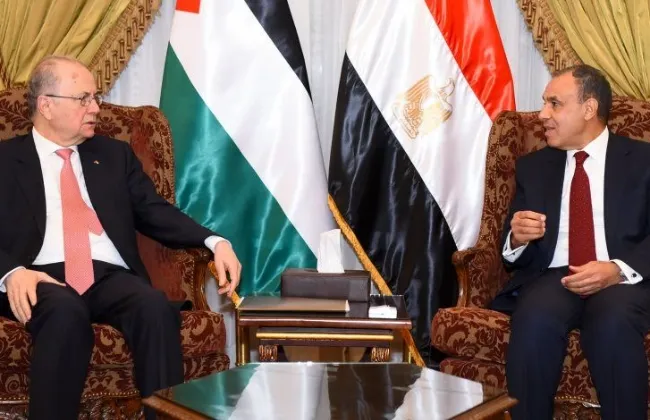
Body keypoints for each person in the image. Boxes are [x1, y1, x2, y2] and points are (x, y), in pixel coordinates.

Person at [0, 56, 242, 420]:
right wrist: (10, 272)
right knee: (65, 312)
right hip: (38, 277)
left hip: (107, 276)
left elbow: (154, 211)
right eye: (83, 99)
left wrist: (215, 242)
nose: (95, 108)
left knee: (154, 307)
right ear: (46, 105)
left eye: (95, 97)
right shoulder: (6, 160)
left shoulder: (113, 155)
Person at [491, 64, 650, 420]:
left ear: (589, 108)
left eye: (555, 104)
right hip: (555, 276)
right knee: (533, 319)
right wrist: (516, 237)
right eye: (544, 103)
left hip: (624, 279)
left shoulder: (643, 161)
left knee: (612, 322)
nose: (542, 115)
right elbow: (512, 251)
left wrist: (617, 269)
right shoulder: (534, 166)